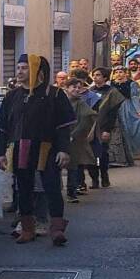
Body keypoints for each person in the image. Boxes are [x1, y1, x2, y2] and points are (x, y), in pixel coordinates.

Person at [0, 54, 74, 246]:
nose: (20, 71)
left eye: (24, 67)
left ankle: (56, 229)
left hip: (47, 148)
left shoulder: (54, 94)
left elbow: (64, 126)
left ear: (38, 71)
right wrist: (0, 153)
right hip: (20, 148)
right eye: (19, 67)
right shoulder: (12, 96)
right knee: (23, 189)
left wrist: (64, 150)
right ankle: (28, 229)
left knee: (52, 187)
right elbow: (3, 127)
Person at [87, 67, 126, 188]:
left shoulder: (112, 92)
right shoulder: (89, 91)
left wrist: (107, 130)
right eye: (94, 75)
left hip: (104, 126)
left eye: (98, 75)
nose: (95, 77)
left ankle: (104, 175)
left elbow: (112, 113)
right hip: (90, 127)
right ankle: (94, 179)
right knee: (90, 154)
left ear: (105, 77)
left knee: (102, 153)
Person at [62, 74, 97, 204]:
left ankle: (71, 191)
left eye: (79, 87)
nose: (77, 90)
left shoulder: (81, 103)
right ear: (66, 88)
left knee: (73, 165)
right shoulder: (61, 101)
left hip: (74, 138)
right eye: (73, 87)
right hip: (60, 135)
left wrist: (76, 134)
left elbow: (89, 117)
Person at [110, 66, 140, 164]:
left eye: (121, 72)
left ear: (125, 73)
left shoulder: (131, 84)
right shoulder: (111, 84)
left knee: (128, 128)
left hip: (126, 106)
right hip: (114, 106)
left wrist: (138, 110)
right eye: (117, 72)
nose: (119, 74)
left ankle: (130, 150)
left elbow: (134, 97)